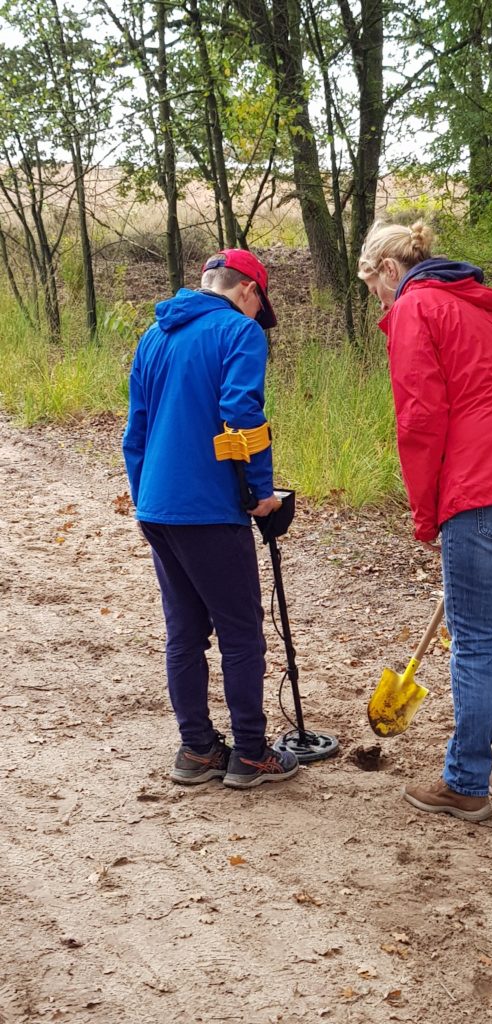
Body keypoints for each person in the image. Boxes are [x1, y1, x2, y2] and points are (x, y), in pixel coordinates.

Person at [358, 221, 492, 823]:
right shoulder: (489, 309)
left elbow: (420, 419)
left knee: (476, 644)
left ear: (386, 269)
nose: (378, 300)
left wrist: (427, 512)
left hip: (485, 487)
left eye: (372, 286)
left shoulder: (416, 307)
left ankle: (465, 784)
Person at [123, 249, 299, 789]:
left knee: (185, 633)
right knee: (242, 634)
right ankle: (250, 753)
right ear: (248, 290)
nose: (256, 318)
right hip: (207, 509)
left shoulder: (154, 336)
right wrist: (261, 491)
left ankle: (197, 749)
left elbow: (136, 430)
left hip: (158, 506)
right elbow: (242, 413)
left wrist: (146, 498)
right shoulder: (239, 333)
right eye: (258, 306)